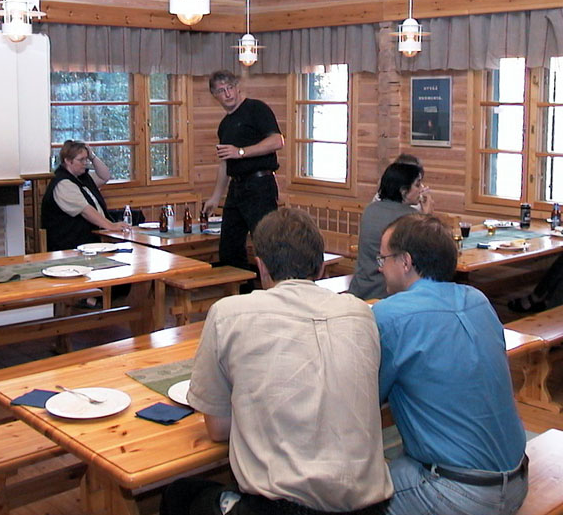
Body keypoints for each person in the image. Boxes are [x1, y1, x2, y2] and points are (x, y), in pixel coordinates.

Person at [160, 208, 393, 515]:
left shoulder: (229, 313)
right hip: (369, 507)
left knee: (180, 494)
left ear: (261, 268)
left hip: (282, 508)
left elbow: (218, 429)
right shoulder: (361, 314)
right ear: (321, 268)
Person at [374, 213, 528, 515]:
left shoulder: (390, 316)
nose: (380, 269)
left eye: (383, 260)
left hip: (460, 492)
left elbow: (365, 396)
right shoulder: (478, 300)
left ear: (405, 262)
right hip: (517, 478)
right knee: (405, 463)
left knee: (350, 497)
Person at [202, 70, 284, 273]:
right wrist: (215, 197)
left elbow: (277, 141)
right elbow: (225, 164)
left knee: (266, 242)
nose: (227, 94)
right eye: (221, 90)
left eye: (230, 88)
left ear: (238, 87)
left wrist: (241, 152)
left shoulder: (256, 109)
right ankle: (242, 293)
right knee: (229, 248)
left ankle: (274, 292)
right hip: (237, 188)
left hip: (260, 185)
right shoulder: (225, 125)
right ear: (215, 95)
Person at [349, 161, 432, 300]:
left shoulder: (370, 209)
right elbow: (428, 252)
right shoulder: (410, 218)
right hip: (388, 293)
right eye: (417, 185)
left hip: (360, 288)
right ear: (403, 191)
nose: (422, 189)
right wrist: (427, 216)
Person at [41, 140, 130, 252]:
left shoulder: (83, 176)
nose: (85, 163)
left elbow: (105, 176)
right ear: (68, 161)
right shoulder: (63, 183)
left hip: (91, 240)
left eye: (86, 159)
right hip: (69, 245)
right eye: (81, 160)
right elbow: (86, 210)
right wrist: (111, 226)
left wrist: (92, 156)